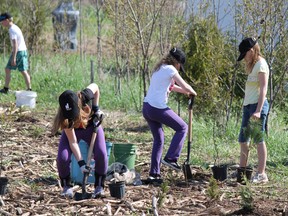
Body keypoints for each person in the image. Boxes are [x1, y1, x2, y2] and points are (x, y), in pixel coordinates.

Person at [142, 47, 197, 182]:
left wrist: (186, 92)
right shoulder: (171, 69)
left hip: (147, 108)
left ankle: (154, 174)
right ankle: (171, 158)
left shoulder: (160, 68)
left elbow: (171, 87)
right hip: (157, 108)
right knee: (182, 127)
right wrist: (193, 92)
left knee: (159, 139)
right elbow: (184, 85)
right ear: (176, 62)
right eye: (180, 66)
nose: (179, 69)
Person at [51, 83, 107, 198]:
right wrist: (81, 163)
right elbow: (73, 142)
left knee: (101, 154)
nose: (73, 117)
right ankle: (67, 186)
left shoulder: (84, 95)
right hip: (74, 132)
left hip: (92, 127)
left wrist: (96, 109)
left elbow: (96, 87)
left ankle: (99, 186)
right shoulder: (65, 118)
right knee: (63, 157)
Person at [237, 37, 270, 183]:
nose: (244, 58)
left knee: (258, 139)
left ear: (251, 50)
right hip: (248, 106)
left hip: (257, 106)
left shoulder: (261, 65)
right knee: (243, 139)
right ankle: (242, 171)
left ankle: (261, 174)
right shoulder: (253, 65)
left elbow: (263, 89)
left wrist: (258, 110)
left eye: (245, 54)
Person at [0, 12, 31, 94]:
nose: (1, 23)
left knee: (13, 69)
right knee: (22, 70)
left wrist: (13, 58)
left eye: (2, 21)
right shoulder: (15, 27)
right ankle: (29, 89)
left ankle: (6, 89)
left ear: (7, 20)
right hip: (22, 51)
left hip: (18, 52)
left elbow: (15, 45)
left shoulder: (12, 30)